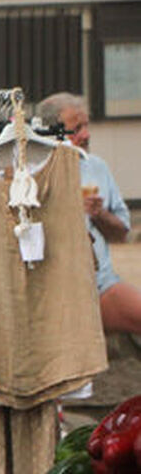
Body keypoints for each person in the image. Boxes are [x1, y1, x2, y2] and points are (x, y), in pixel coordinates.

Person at [39, 92, 141, 334]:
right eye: (76, 129)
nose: (86, 134)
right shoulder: (36, 170)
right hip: (55, 291)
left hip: (100, 284)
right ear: (52, 132)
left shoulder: (96, 167)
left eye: (86, 125)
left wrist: (99, 214)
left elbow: (121, 234)